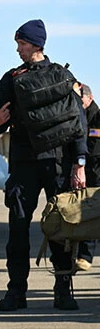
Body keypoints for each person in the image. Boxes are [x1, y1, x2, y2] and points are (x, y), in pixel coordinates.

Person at [0, 19, 87, 312]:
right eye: (18, 44)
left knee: (48, 230)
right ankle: (33, 292)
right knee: (34, 229)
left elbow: (77, 124)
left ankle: (48, 291)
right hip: (38, 164)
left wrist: (79, 164)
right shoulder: (25, 78)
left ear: (37, 45)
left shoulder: (52, 77)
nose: (18, 49)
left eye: (23, 44)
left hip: (46, 164)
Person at [74, 83, 100, 271]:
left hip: (96, 173)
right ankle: (84, 256)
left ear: (89, 98)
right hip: (86, 174)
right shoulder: (76, 118)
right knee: (87, 215)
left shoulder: (97, 118)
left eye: (80, 97)